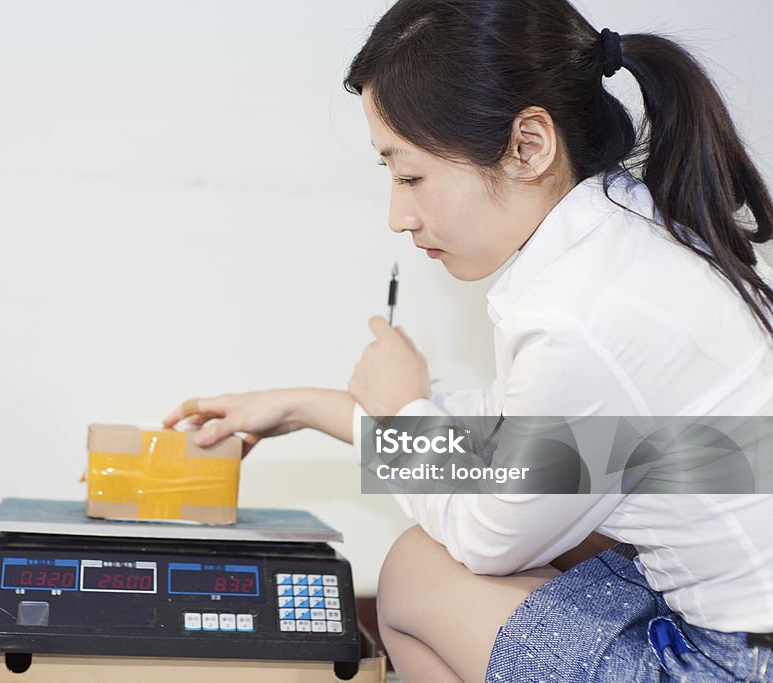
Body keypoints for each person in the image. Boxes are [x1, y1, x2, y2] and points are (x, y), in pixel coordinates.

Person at [164, 0, 773, 680]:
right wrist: (307, 407)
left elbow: (490, 533)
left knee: (415, 575)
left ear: (529, 145)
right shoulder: (632, 235)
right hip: (742, 631)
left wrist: (402, 412)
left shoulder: (581, 313)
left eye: (409, 175)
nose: (398, 215)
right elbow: (527, 444)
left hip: (735, 662)